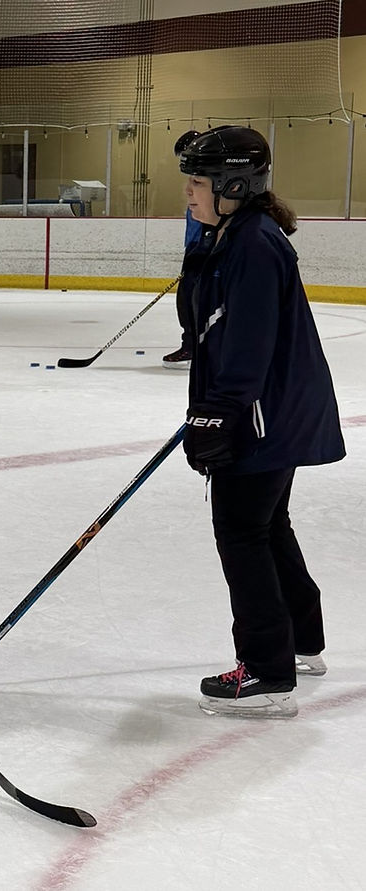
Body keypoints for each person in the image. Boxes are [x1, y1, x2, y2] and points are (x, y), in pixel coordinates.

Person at [177, 125, 345, 719]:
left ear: (234, 184)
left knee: (243, 533)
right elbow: (205, 325)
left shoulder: (251, 243)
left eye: (197, 183)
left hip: (261, 416)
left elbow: (246, 345)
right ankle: (299, 641)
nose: (189, 195)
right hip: (274, 412)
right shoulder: (237, 235)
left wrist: (217, 417)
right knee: (268, 527)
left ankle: (267, 673)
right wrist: (200, 251)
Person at [162, 130, 202, 369]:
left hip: (202, 249)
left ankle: (192, 346)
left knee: (190, 299)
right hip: (195, 248)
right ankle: (192, 345)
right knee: (186, 298)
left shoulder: (208, 183)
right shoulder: (197, 183)